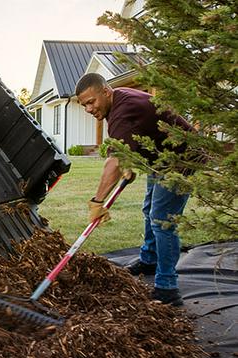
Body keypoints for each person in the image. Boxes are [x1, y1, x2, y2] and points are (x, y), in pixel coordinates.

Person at [75, 73, 194, 307]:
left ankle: (167, 288)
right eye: (84, 105)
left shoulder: (122, 111)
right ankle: (149, 259)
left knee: (162, 220)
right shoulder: (118, 102)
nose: (88, 109)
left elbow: (114, 162)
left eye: (91, 102)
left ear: (106, 92)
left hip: (181, 161)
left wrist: (97, 201)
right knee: (150, 208)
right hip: (160, 159)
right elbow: (141, 134)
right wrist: (131, 161)